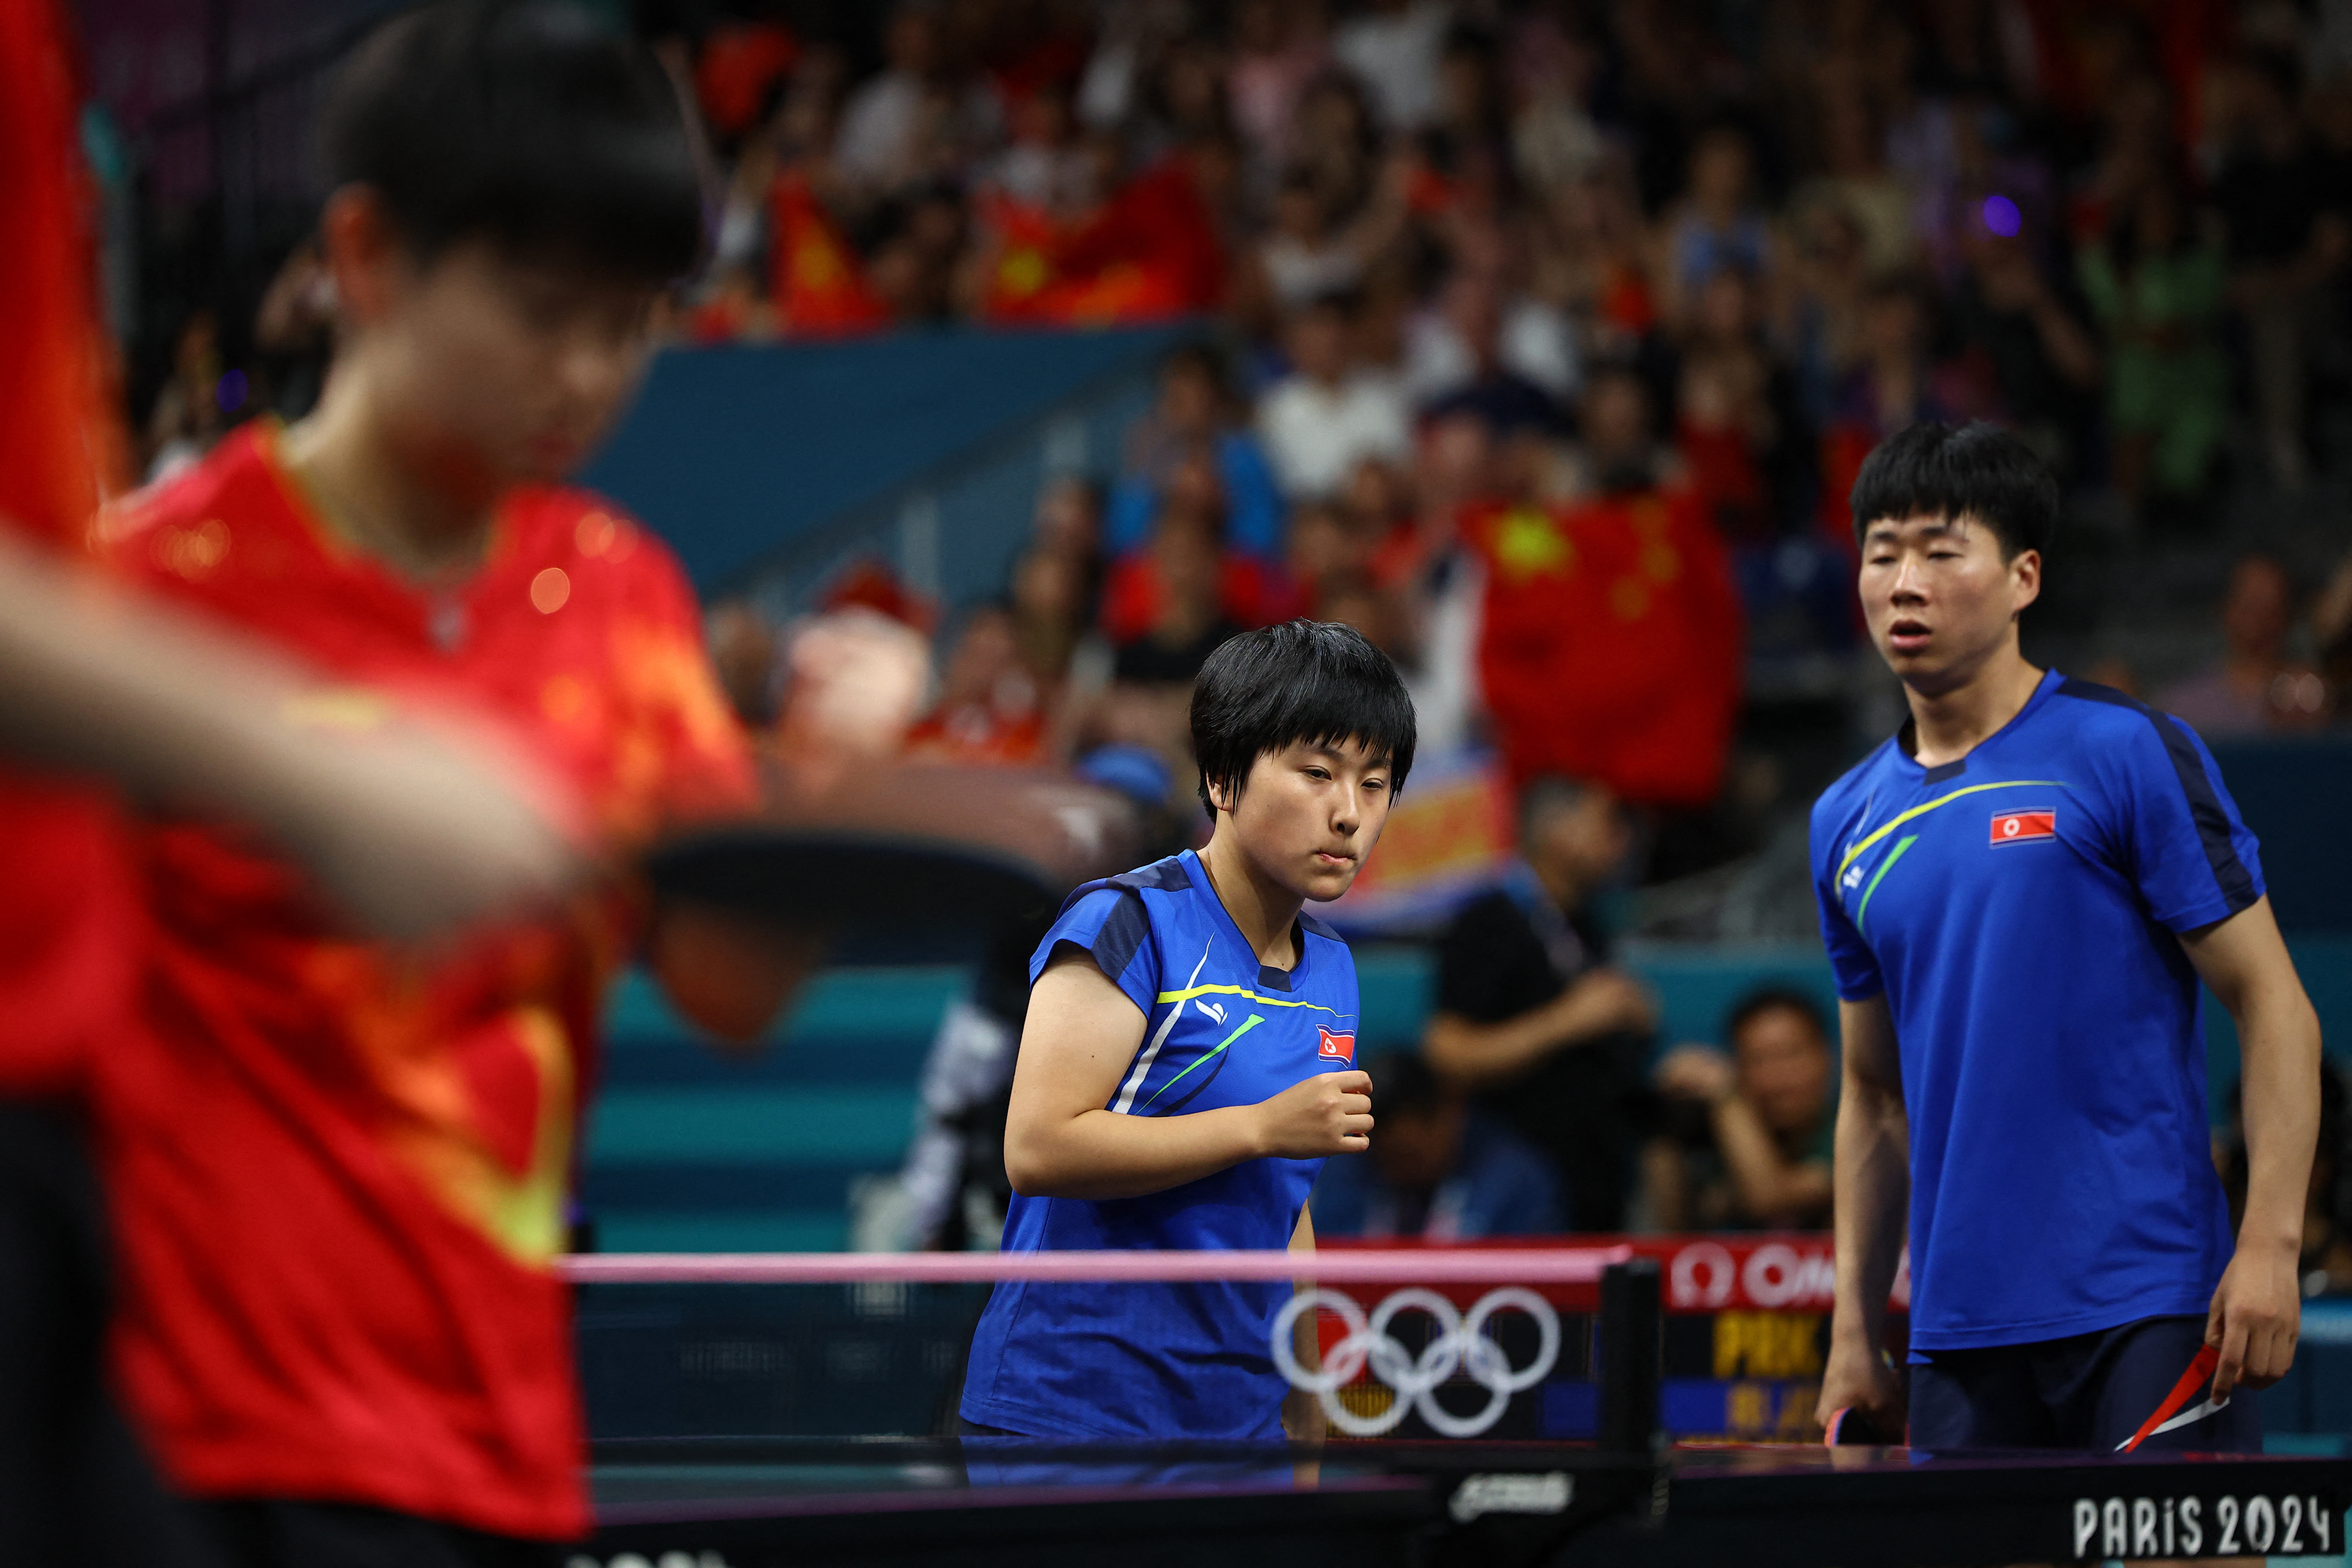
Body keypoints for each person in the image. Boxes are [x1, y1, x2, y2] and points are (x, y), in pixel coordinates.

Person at [89, 7, 818, 1562]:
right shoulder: (139, 603)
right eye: (546, 311)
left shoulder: (624, 600)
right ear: (366, 257)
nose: (590, 376)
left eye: (632, 326)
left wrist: (826, 782)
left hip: (487, 1449)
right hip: (179, 1442)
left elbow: (733, 989)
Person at [1813, 421, 2321, 1452]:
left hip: (2151, 1300)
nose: (1904, 582)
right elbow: (1872, 1097)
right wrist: (1855, 1331)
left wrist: (2269, 1243)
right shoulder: (1844, 821)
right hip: (1957, 1333)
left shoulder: (2122, 750)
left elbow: (2274, 1003)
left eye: (1941, 550)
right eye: (1882, 553)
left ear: (2022, 578)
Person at [960, 619, 1415, 1441]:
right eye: (1317, 773)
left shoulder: (1335, 970)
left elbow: (1290, 1197)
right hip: (1077, 1410)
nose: (1349, 813)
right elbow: (1037, 1146)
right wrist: (1258, 1126)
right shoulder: (1128, 920)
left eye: (1376, 783)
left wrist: (1308, 1408)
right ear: (1222, 779)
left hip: (1235, 1422)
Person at [1421, 776, 1658, 1230]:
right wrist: (1570, 1020)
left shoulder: (1584, 923)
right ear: (1555, 830)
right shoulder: (1490, 920)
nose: (1622, 838)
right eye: (1607, 822)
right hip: (1518, 1196)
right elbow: (1447, 1052)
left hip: (1593, 1181)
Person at [1310, 1051, 1559, 1240]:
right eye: (1383, 1159)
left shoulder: (1516, 1182)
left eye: (1407, 1156)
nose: (1396, 1172)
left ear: (1448, 1116)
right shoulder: (1350, 1164)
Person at [1650, 988, 1836, 1232]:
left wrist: (1725, 1095)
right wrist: (1665, 1116)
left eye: (1792, 1055)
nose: (1779, 1080)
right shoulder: (1718, 1137)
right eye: (1758, 1060)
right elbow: (1673, 1234)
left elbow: (1770, 1199)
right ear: (1738, 1067)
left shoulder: (1857, 1135)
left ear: (1827, 1058)